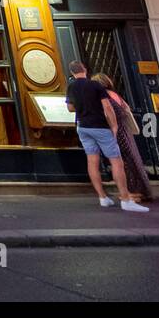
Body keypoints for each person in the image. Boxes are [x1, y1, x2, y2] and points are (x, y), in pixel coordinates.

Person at [65, 61, 149, 212]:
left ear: (72, 72)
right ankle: (125, 199)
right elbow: (108, 107)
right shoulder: (95, 85)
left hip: (83, 126)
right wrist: (114, 126)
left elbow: (70, 108)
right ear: (84, 69)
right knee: (116, 161)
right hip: (100, 126)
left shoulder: (71, 87)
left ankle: (102, 197)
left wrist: (82, 106)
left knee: (92, 161)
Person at [91, 72, 153, 203]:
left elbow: (107, 113)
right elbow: (126, 109)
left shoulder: (104, 96)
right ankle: (142, 191)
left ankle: (132, 193)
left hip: (116, 131)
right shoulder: (115, 95)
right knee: (133, 159)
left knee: (122, 161)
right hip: (125, 130)